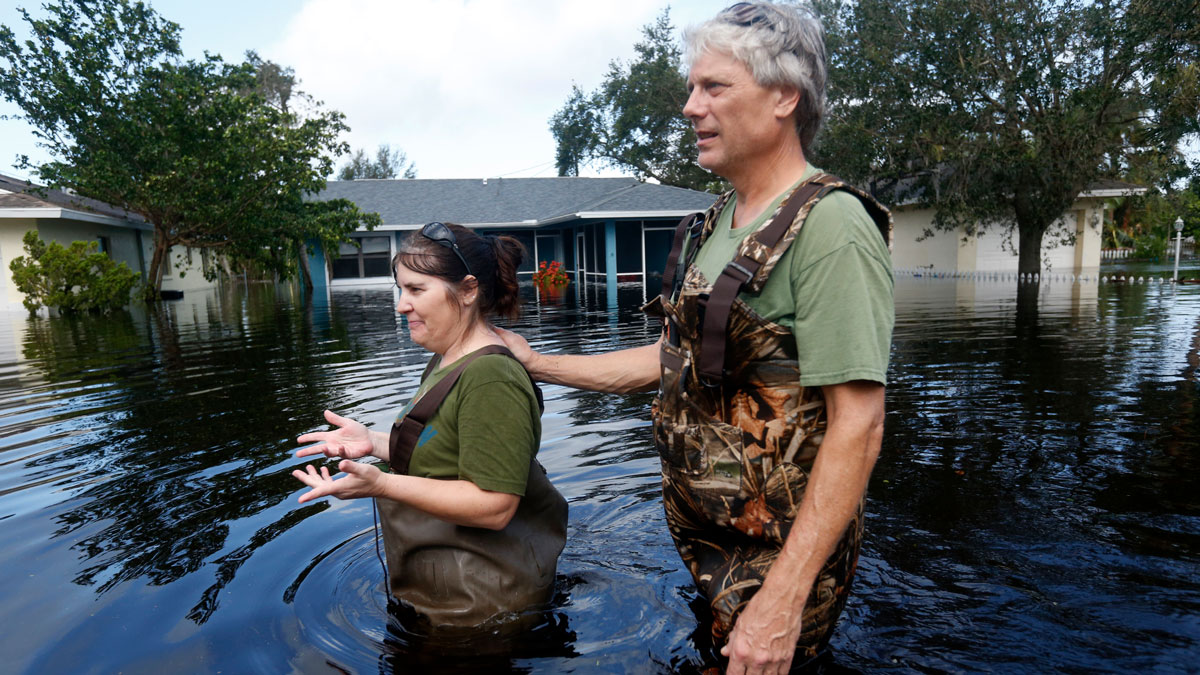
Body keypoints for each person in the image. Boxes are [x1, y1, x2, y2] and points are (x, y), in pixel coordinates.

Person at [498, 3, 893, 672]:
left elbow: (861, 423)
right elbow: (670, 360)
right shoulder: (714, 225)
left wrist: (782, 601)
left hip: (775, 559)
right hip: (708, 542)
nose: (690, 107)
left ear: (784, 97)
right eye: (692, 87)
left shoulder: (833, 228)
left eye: (714, 87)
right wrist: (539, 362)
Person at [294, 222, 568, 629]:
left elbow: (494, 506)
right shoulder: (445, 361)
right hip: (448, 598)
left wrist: (381, 484)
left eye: (417, 290)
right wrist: (371, 441)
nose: (401, 305)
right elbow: (442, 448)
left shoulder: (491, 376)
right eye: (401, 289)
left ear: (469, 290)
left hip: (486, 615)